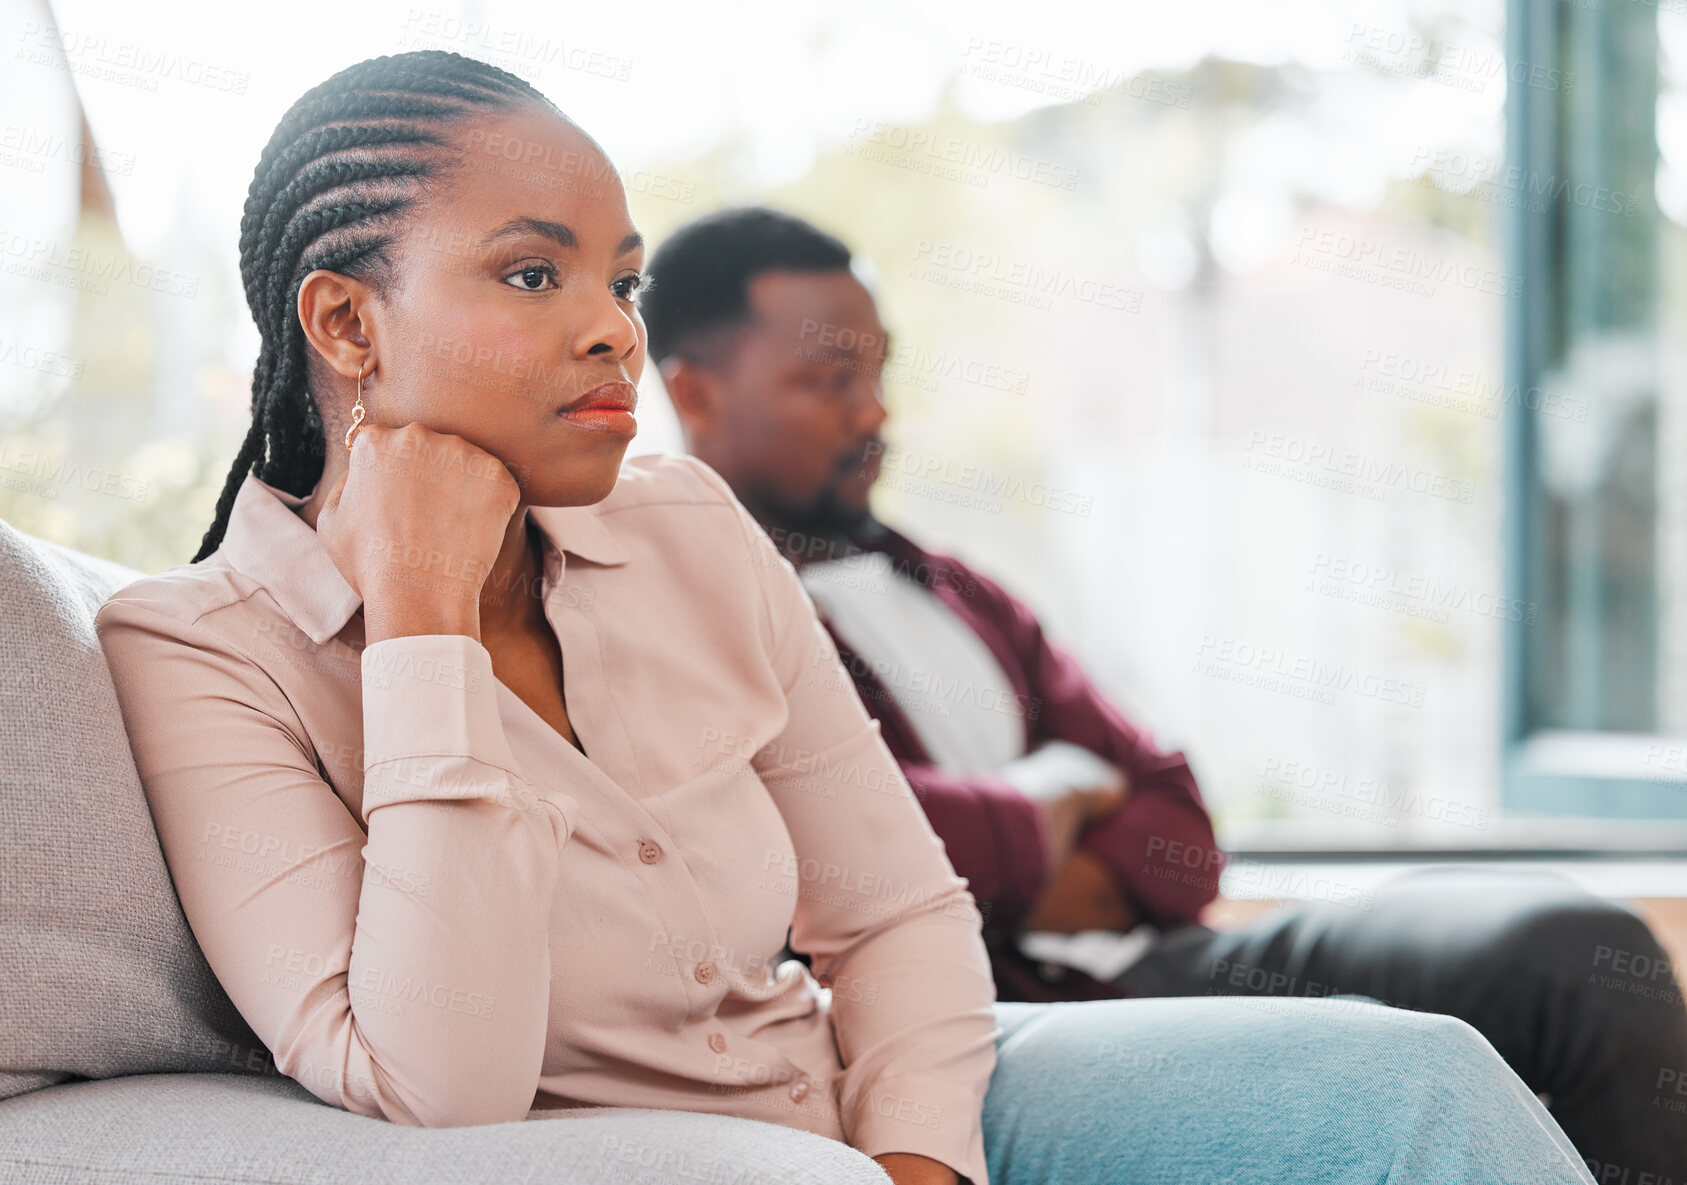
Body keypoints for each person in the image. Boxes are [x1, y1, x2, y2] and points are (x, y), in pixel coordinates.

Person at [94, 51, 1599, 1185]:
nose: (614, 323)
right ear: (347, 322)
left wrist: (919, 1161)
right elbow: (444, 1090)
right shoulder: (196, 650)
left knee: (1413, 1086)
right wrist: (420, 618)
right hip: (668, 1160)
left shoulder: (682, 525)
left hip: (898, 1098)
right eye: (532, 272)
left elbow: (892, 909)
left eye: (618, 278)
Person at [640, 204, 1687, 1181]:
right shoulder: (678, 616)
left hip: (1172, 955)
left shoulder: (957, 589)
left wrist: (1029, 845)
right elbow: (847, 862)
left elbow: (1175, 815)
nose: (876, 411)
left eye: (882, 373)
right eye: (828, 382)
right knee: (1413, 1071)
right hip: (1019, 1012)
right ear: (692, 393)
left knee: (1581, 950)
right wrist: (1056, 808)